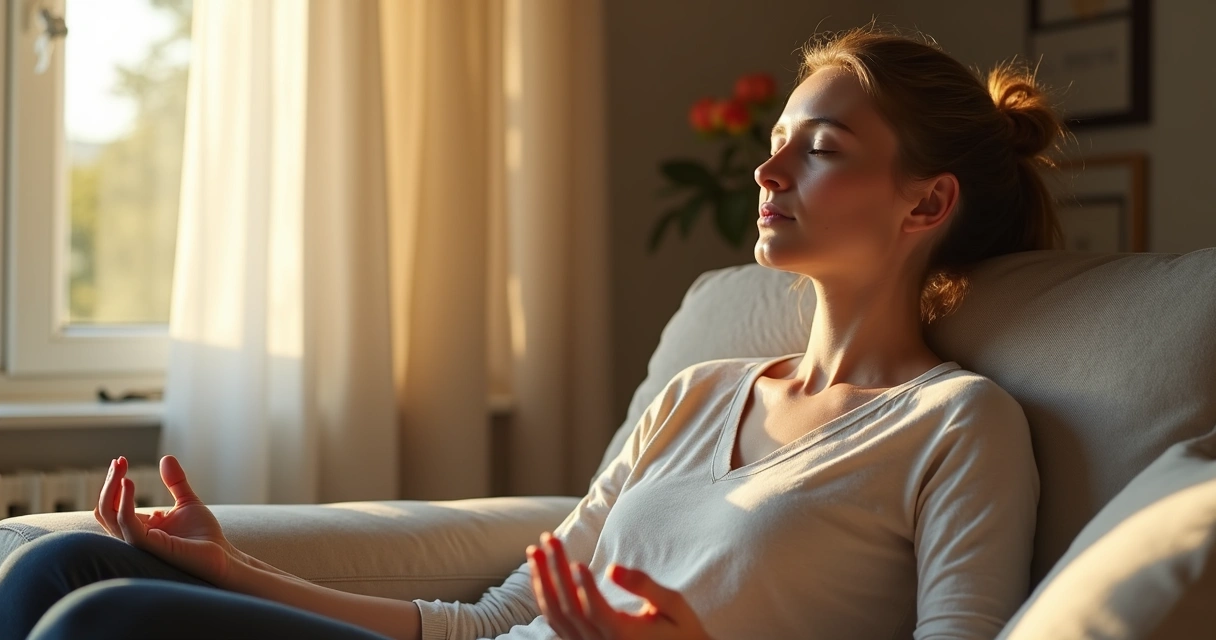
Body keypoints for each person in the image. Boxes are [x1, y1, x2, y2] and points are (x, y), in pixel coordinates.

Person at [0, 24, 1060, 640]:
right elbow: (497, 620)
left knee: (93, 627)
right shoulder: (698, 392)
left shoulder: (958, 427)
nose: (766, 170)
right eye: (776, 140)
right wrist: (232, 565)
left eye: (818, 148)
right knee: (59, 572)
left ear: (924, 205)